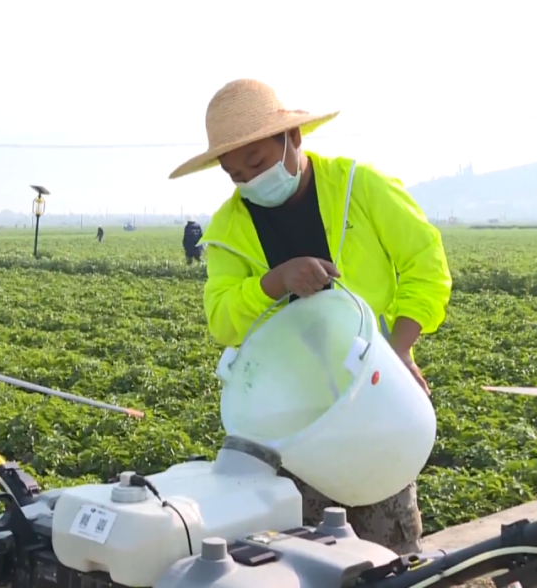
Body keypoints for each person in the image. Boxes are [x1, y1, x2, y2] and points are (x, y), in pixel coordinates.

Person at [168, 79, 452, 556]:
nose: (250, 180)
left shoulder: (359, 187)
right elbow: (222, 319)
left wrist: (399, 349)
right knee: (310, 553)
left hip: (372, 392)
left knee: (390, 547)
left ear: (293, 137)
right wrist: (275, 281)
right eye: (235, 173)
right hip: (292, 413)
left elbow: (425, 265)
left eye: (257, 162)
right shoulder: (229, 228)